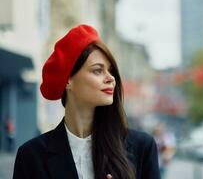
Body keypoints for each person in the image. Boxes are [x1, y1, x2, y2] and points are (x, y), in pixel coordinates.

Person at [13, 24, 160, 179]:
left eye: (110, 71)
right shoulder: (31, 156)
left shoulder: (142, 147)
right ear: (68, 80)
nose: (111, 78)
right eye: (98, 70)